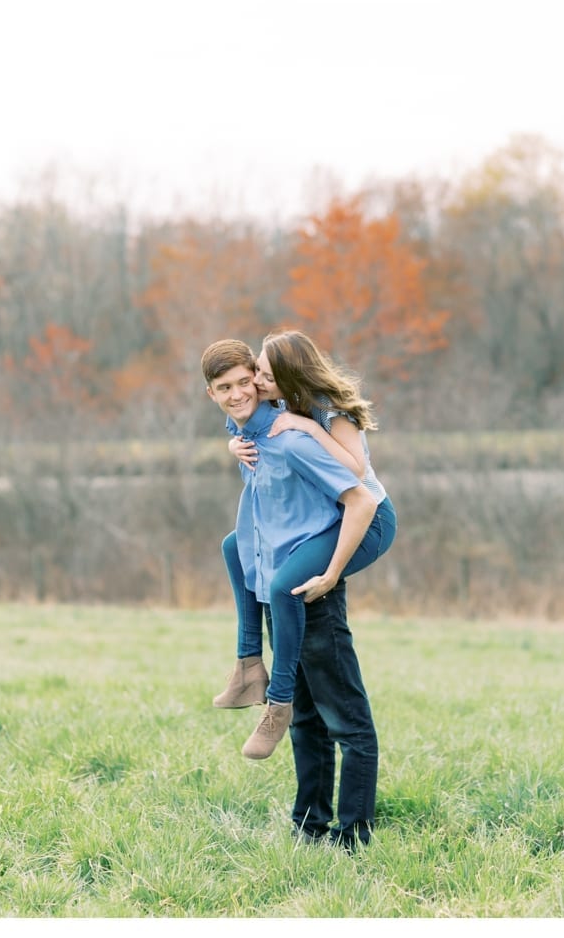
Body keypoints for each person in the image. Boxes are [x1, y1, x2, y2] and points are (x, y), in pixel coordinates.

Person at [202, 339, 380, 849]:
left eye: (249, 379)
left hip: (312, 587)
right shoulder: (251, 433)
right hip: (281, 588)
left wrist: (328, 576)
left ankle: (355, 833)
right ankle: (309, 824)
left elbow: (359, 495)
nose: (243, 391)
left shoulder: (299, 431)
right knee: (308, 719)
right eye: (228, 387)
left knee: (346, 720)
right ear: (211, 393)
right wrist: (232, 442)